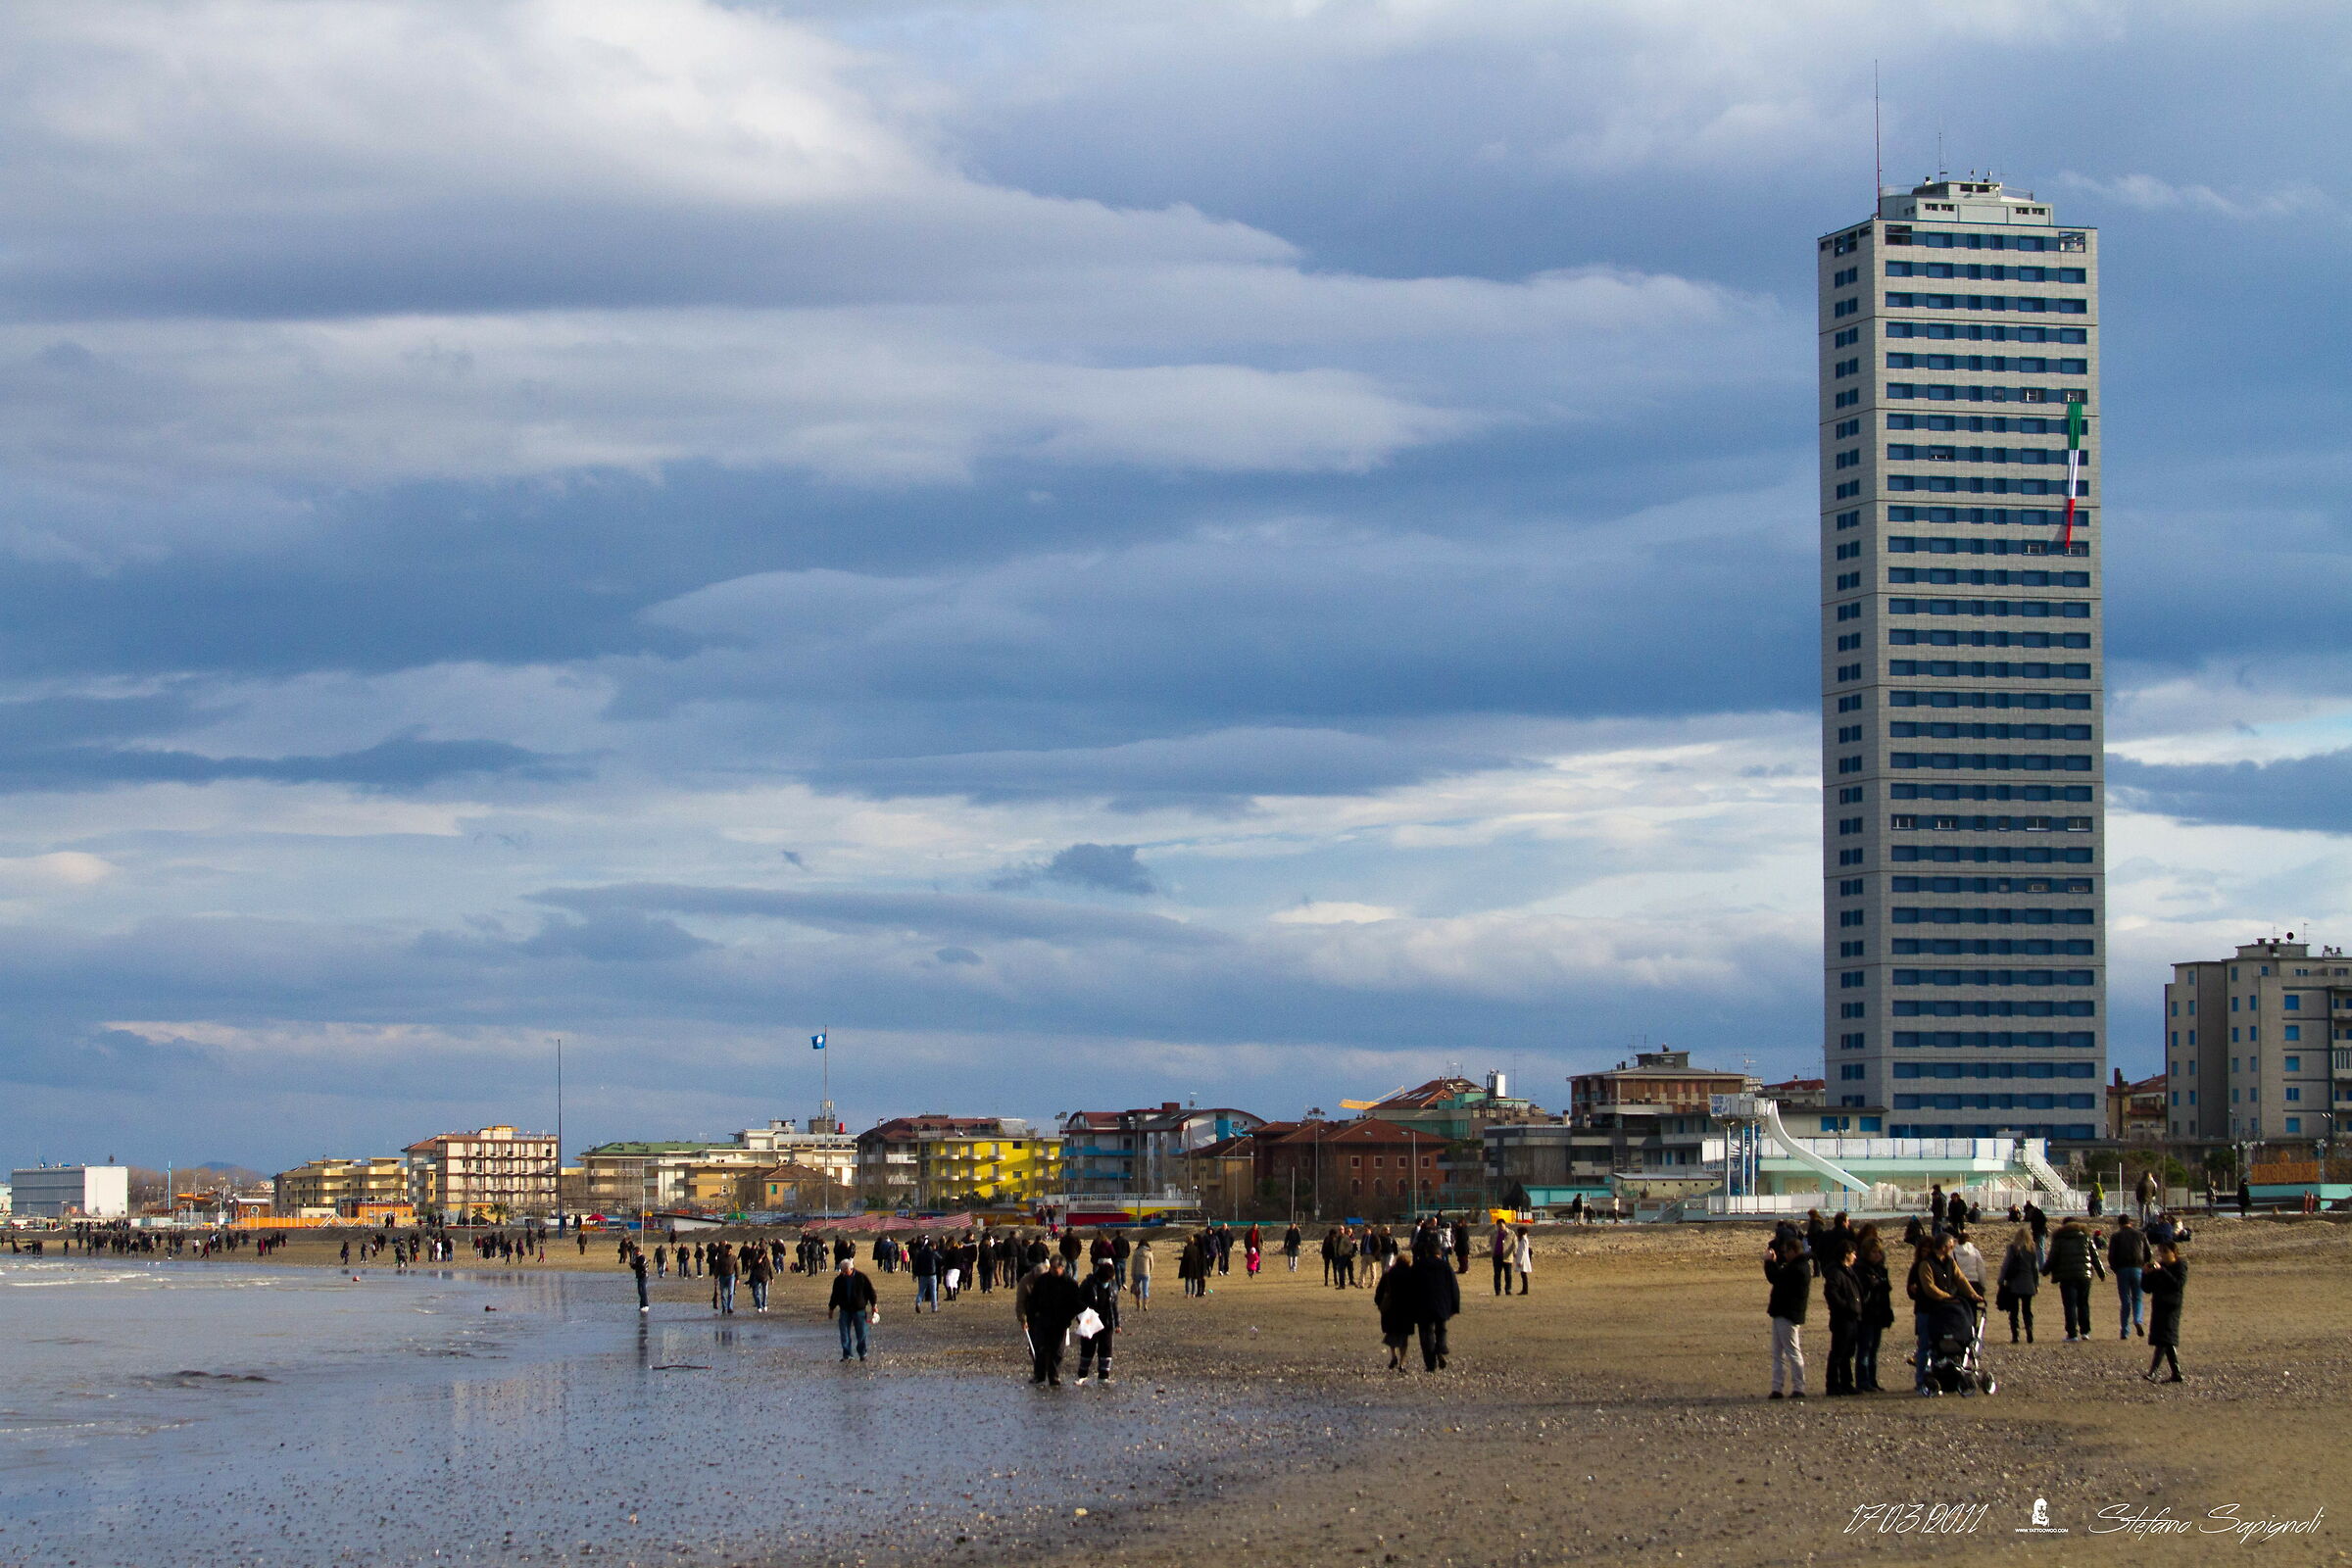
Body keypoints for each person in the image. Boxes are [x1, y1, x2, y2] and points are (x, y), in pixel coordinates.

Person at [1906, 1233, 1980, 1395]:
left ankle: (1943, 1379)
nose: (1953, 1247)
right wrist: (1948, 1296)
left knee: (1944, 1345)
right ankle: (1921, 1382)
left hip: (1945, 1311)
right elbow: (1929, 1287)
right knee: (1925, 1346)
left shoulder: (1950, 1262)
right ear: (1945, 1246)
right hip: (1927, 1310)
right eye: (1951, 1245)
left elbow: (1960, 1279)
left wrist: (1973, 1295)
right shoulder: (1926, 1264)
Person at [2041, 1216, 2105, 1342]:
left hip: (2066, 1277)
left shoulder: (2059, 1239)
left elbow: (2052, 1258)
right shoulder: (2086, 1238)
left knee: (2069, 1305)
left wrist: (2045, 1271)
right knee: (2083, 1303)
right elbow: (2095, 1257)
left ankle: (2072, 1334)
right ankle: (2085, 1332)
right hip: (2084, 1276)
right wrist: (2101, 1273)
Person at [1022, 1255, 1082, 1387]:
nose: (1053, 1270)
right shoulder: (1043, 1280)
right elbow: (1033, 1299)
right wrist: (1032, 1315)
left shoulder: (1070, 1283)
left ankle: (1054, 1376)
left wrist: (1068, 1318)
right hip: (1043, 1320)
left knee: (1057, 1351)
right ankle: (1039, 1375)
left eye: (1055, 1268)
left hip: (1060, 1322)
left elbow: (1076, 1304)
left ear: (1062, 1267)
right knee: (1040, 1348)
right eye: (1051, 1268)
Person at [1764, 1235, 1810, 1399]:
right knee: (1778, 1354)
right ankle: (1777, 1388)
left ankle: (1799, 1387)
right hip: (1781, 1312)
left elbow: (1776, 1278)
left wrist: (1769, 1262)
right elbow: (1779, 1277)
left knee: (1792, 1352)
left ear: (1794, 1251)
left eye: (1786, 1252)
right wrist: (1774, 1263)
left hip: (1788, 1314)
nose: (1785, 1255)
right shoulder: (1795, 1266)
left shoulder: (1799, 1268)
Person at [1409, 1234, 1461, 1371]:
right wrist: (1455, 1306)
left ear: (1426, 1253)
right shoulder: (1445, 1266)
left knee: (1426, 1335)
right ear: (1439, 1253)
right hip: (1442, 1304)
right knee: (1441, 1329)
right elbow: (1454, 1288)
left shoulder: (1418, 1266)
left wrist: (1410, 1307)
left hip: (1422, 1306)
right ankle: (1440, 1348)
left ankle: (1430, 1364)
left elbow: (1410, 1287)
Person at [1853, 1223, 1892, 1394]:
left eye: (1879, 1252)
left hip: (1879, 1312)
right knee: (1865, 1348)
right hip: (1866, 1314)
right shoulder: (1861, 1269)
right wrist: (1872, 1284)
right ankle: (1863, 1381)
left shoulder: (1881, 1269)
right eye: (1874, 1252)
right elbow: (1861, 1293)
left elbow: (1885, 1291)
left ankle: (1872, 1380)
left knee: (1874, 1349)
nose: (1877, 1255)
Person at [2141, 1240, 2186, 1383]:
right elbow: (2147, 1288)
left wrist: (2162, 1270)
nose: (2163, 1255)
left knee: (2164, 1339)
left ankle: (2153, 1372)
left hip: (2171, 1306)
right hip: (2159, 1305)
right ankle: (2176, 1374)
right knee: (2166, 1340)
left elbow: (2177, 1284)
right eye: (2161, 1252)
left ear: (2174, 1252)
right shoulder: (2160, 1267)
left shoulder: (2180, 1265)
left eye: (2166, 1252)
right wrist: (2146, 1274)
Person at [1073, 1260, 1122, 1386]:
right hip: (1090, 1321)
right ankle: (1082, 1375)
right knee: (1087, 1348)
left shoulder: (1113, 1285)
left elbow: (1115, 1306)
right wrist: (1084, 1313)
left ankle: (1103, 1376)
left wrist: (1117, 1324)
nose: (1107, 1282)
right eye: (1106, 1279)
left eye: (1109, 1280)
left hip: (1107, 1322)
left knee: (1106, 1348)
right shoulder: (1088, 1284)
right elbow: (1078, 1301)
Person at [1821, 1240, 1860, 1396]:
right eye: (1853, 1253)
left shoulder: (1848, 1271)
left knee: (1848, 1352)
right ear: (1846, 1254)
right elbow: (1831, 1293)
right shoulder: (1836, 1272)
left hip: (1851, 1317)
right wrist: (1846, 1306)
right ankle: (1832, 1384)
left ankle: (1846, 1383)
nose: (1855, 1256)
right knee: (1838, 1352)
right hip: (1842, 1318)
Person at [1995, 1228, 2039, 1344]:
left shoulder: (2012, 1248)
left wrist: (2001, 1280)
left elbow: (2006, 1265)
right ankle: (2029, 1330)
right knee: (2027, 1309)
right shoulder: (2031, 1249)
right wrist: (2036, 1284)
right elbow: (2035, 1269)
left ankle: (2015, 1335)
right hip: (2028, 1283)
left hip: (2014, 1284)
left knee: (2014, 1311)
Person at [828, 1258, 876, 1362]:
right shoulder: (839, 1280)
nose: (843, 1273)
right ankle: (847, 1354)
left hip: (859, 1310)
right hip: (845, 1310)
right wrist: (831, 1308)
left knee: (861, 1333)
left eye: (845, 1271)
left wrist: (874, 1305)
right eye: (842, 1271)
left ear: (851, 1268)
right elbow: (835, 1295)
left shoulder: (861, 1277)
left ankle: (862, 1353)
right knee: (844, 1333)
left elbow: (870, 1292)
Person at [1373, 1252, 1416, 1371]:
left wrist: (1380, 1304)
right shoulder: (1412, 1274)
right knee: (1404, 1338)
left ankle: (1393, 1356)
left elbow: (1379, 1293)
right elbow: (1416, 1293)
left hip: (1390, 1310)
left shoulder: (1388, 1274)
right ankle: (1402, 1363)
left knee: (1391, 1334)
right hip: (1406, 1311)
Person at [2108, 1214, 2148, 1340]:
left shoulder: (2115, 1236)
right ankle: (2137, 1320)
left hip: (2122, 1270)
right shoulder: (2140, 1235)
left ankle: (2125, 1331)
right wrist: (2144, 1265)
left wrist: (2115, 1269)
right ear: (2130, 1222)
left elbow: (2111, 1256)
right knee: (2138, 1298)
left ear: (2119, 1224)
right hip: (2137, 1268)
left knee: (2125, 1301)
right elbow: (2148, 1253)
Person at [744, 1239, 772, 1312]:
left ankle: (764, 1305)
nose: (761, 1256)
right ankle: (759, 1306)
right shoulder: (756, 1259)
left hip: (765, 1278)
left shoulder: (767, 1260)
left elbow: (769, 1269)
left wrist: (772, 1278)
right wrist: (757, 1263)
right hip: (757, 1277)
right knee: (756, 1293)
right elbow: (752, 1268)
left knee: (765, 1293)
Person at [1490, 1218, 1513, 1298]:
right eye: (1499, 1226)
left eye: (1502, 1226)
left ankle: (1508, 1289)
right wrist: (1493, 1250)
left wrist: (1514, 1252)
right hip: (1497, 1256)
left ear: (1505, 1225)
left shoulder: (1511, 1233)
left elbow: (1515, 1243)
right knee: (1497, 1274)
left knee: (1508, 1274)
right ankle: (1497, 1290)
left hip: (1507, 1257)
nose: (1500, 1227)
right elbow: (1491, 1242)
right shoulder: (1494, 1233)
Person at [1129, 1238, 1153, 1310]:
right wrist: (1149, 1271)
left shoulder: (1136, 1253)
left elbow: (1133, 1265)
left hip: (1137, 1273)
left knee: (1137, 1290)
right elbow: (1152, 1264)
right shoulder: (1149, 1253)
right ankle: (1145, 1305)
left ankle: (1138, 1305)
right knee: (1145, 1290)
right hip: (1146, 1273)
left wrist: (1132, 1274)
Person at [1512, 1225, 1533, 1297]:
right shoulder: (1522, 1240)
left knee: (1524, 1275)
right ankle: (1524, 1289)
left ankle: (1525, 1290)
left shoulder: (1524, 1240)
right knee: (1523, 1275)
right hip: (1522, 1259)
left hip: (1523, 1260)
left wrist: (1520, 1261)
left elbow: (1523, 1251)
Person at [629, 1246, 650, 1314]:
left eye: (635, 1252)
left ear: (638, 1251)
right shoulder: (637, 1258)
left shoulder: (642, 1257)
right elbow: (636, 1267)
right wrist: (632, 1265)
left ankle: (646, 1305)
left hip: (643, 1275)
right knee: (640, 1291)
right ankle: (641, 1306)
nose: (634, 1253)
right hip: (639, 1276)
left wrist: (634, 1265)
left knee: (643, 1290)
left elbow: (640, 1266)